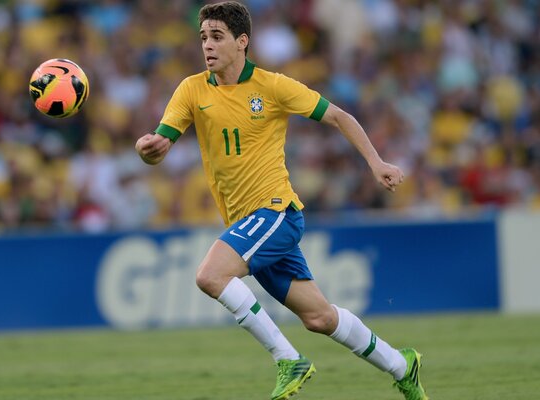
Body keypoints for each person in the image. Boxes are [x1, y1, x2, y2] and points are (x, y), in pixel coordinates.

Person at [135, 2, 429, 399]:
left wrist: (375, 162)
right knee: (320, 318)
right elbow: (162, 141)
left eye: (217, 37)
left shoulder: (273, 87)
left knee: (210, 276)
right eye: (203, 37)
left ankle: (288, 359)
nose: (207, 45)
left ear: (242, 42)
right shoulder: (191, 89)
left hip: (275, 212)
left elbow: (340, 116)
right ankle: (401, 364)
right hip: (247, 223)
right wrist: (148, 148)